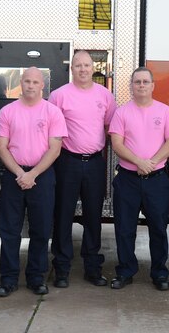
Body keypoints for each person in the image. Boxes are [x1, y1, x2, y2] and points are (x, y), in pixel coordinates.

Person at [0, 67, 68, 297]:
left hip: (42, 177)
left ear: (43, 85)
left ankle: (37, 278)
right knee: (9, 231)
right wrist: (19, 173)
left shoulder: (53, 112)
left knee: (41, 230)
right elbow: (1, 147)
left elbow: (55, 149)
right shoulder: (7, 111)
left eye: (35, 82)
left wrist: (33, 174)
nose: (31, 86)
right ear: (21, 83)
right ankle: (8, 279)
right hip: (13, 176)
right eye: (27, 81)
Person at [49, 51, 116, 288]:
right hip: (67, 162)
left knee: (93, 216)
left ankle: (93, 267)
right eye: (78, 65)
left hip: (95, 162)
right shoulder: (58, 96)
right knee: (63, 215)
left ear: (93, 67)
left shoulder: (105, 95)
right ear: (72, 69)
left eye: (87, 65)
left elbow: (110, 127)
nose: (83, 69)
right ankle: (62, 268)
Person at [108, 67, 169, 291]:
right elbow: (117, 144)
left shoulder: (165, 111)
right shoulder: (121, 112)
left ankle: (159, 273)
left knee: (158, 228)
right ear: (131, 85)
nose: (141, 86)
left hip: (156, 179)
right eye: (137, 82)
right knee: (124, 228)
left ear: (152, 85)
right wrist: (140, 162)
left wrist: (151, 162)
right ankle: (125, 271)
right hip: (128, 179)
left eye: (145, 82)